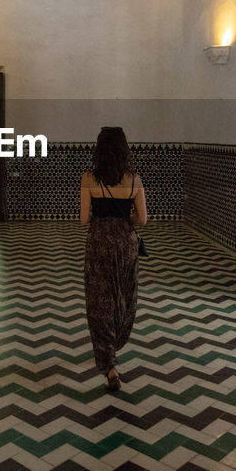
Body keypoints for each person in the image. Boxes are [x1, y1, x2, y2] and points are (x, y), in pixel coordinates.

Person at [79, 126, 148, 393]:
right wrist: (123, 222)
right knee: (124, 296)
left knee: (99, 302)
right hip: (126, 245)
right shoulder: (134, 180)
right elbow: (142, 219)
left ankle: (108, 364)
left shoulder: (88, 179)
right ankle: (116, 343)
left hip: (98, 244)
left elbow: (85, 219)